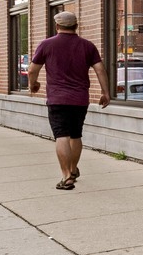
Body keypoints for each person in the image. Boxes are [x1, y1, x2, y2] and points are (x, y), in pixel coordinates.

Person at [27, 11, 110, 190]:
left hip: (57, 99)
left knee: (61, 135)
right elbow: (100, 69)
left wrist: (33, 85)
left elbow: (32, 69)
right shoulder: (88, 46)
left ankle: (66, 177)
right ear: (76, 26)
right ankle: (73, 169)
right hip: (80, 99)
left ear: (57, 26)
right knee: (76, 134)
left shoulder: (47, 45)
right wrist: (105, 92)